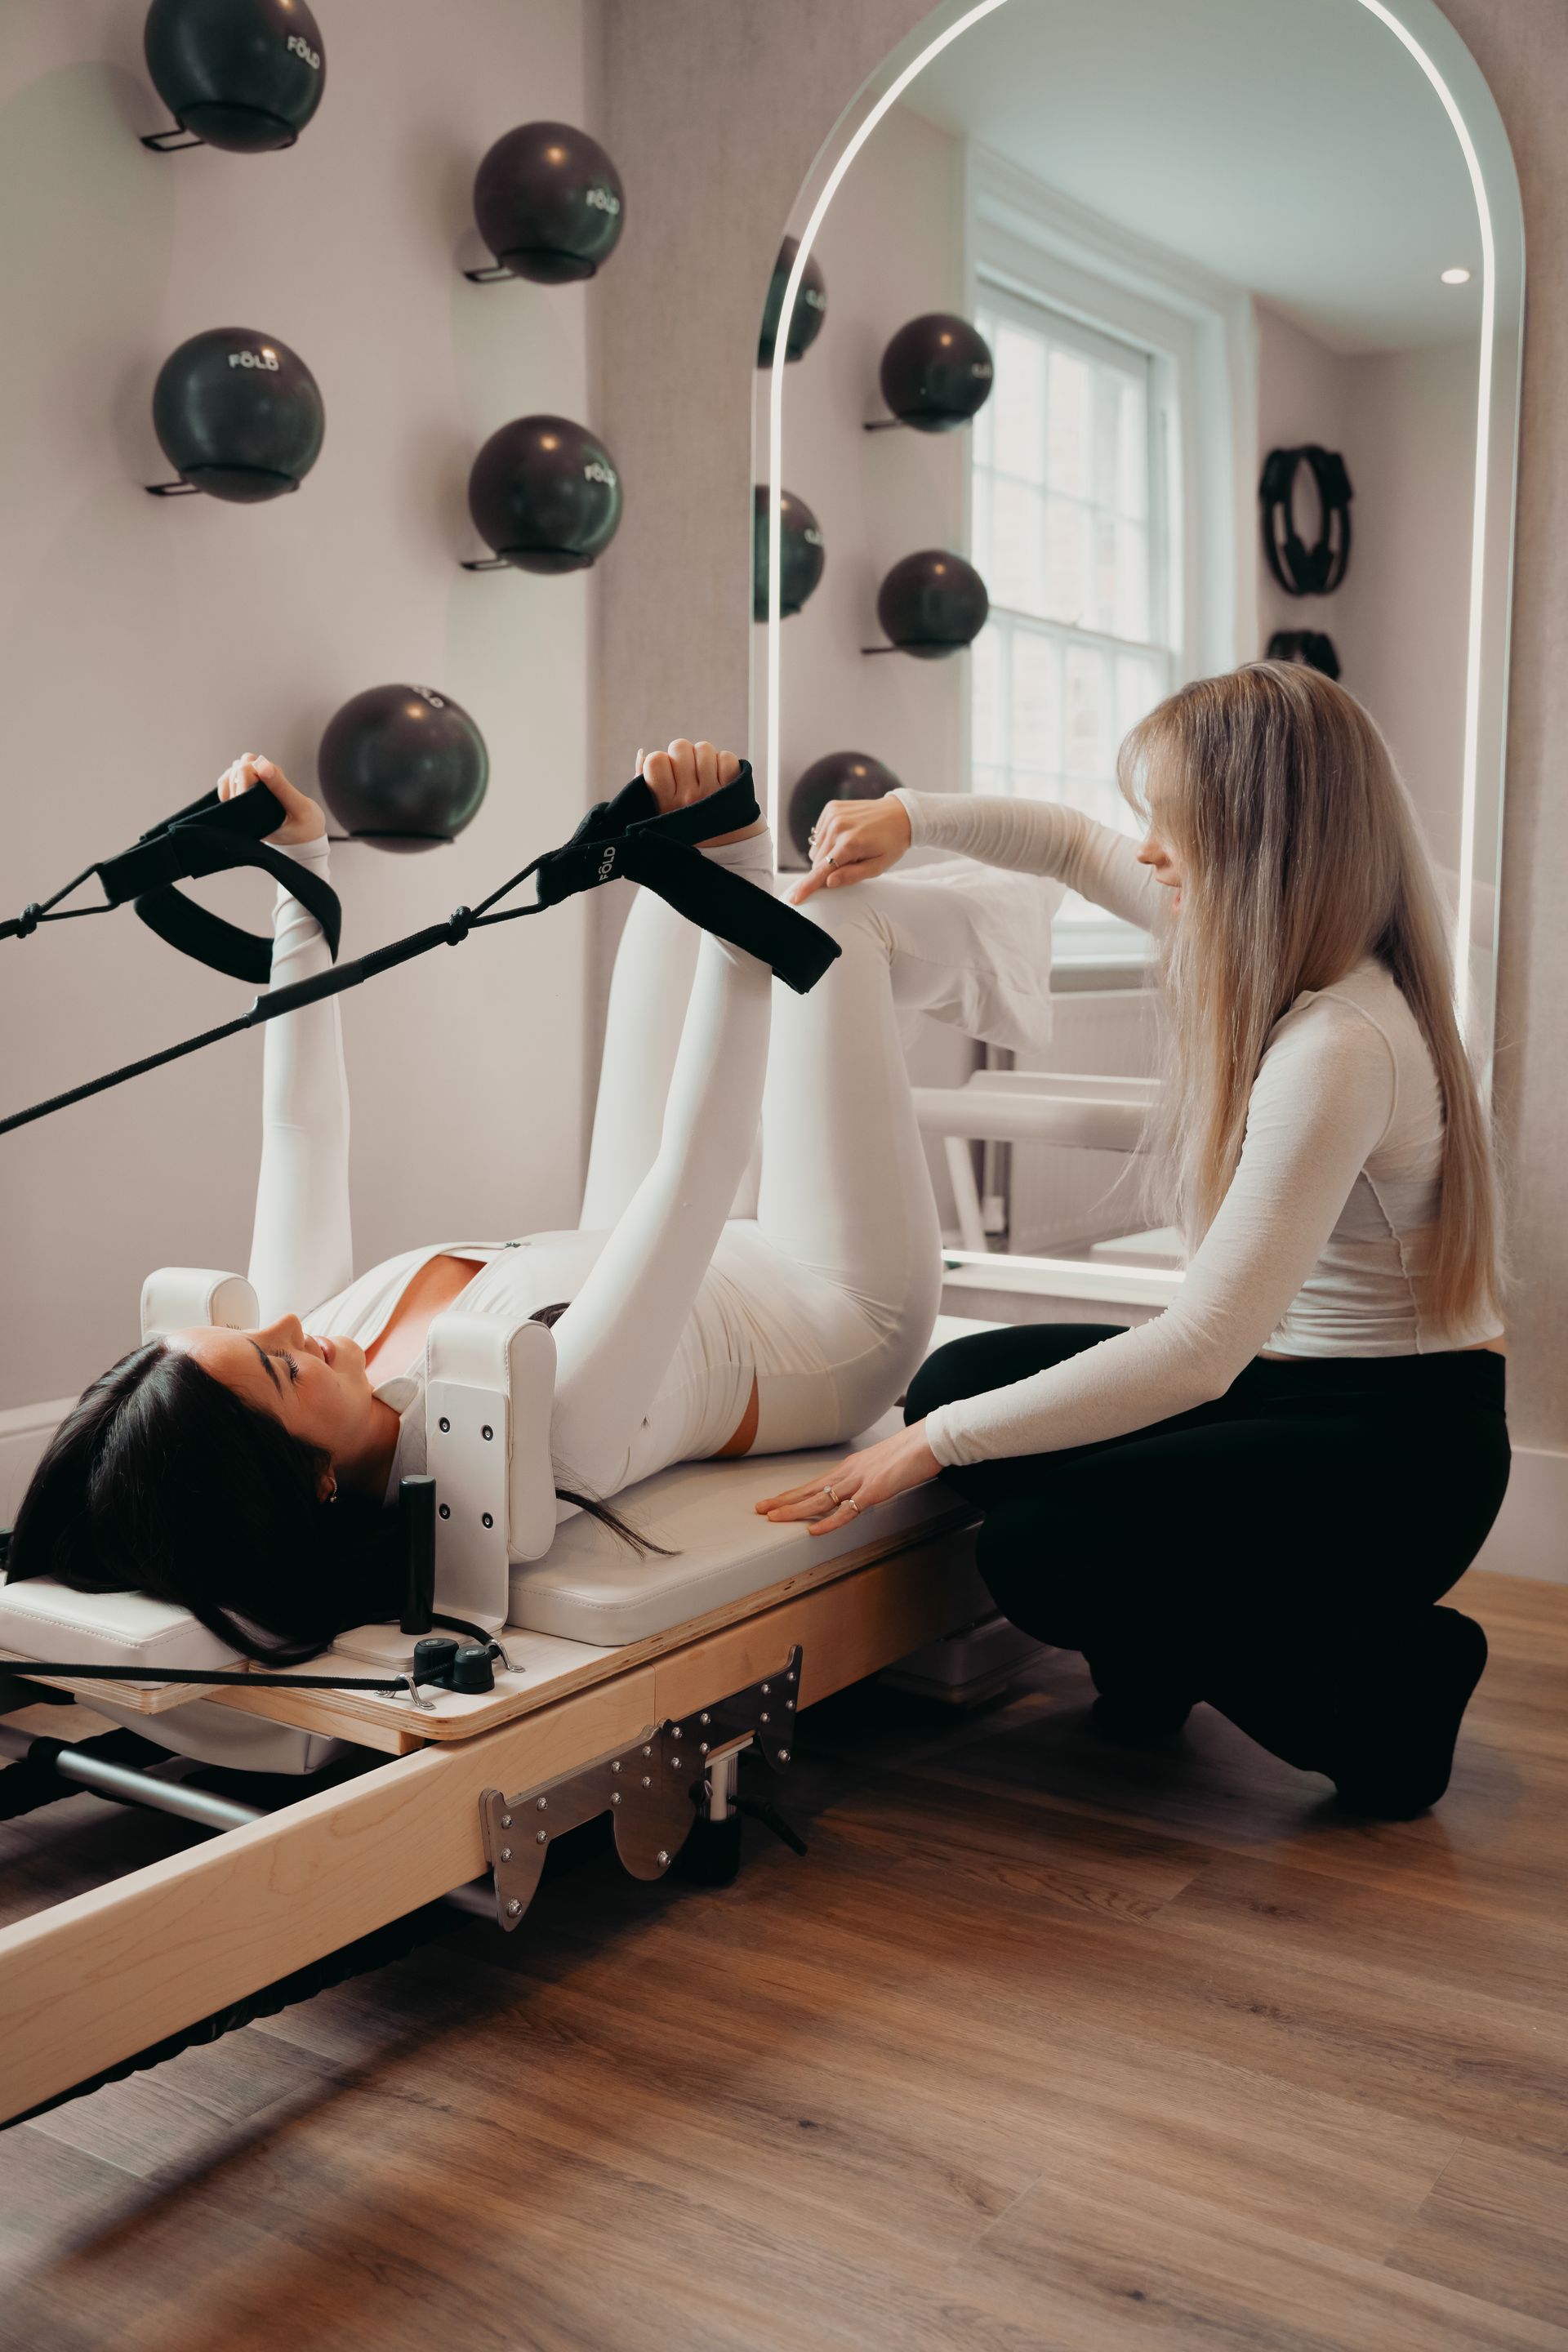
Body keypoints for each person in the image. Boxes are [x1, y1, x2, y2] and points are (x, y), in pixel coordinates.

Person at [7, 738, 1054, 1661]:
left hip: (626, 1235)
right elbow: (697, 1164)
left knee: (663, 907)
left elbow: (299, 1132)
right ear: (312, 1482)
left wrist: (301, 872)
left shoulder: (319, 1358)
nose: (289, 1322)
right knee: (834, 916)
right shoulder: (532, 1450)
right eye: (276, 1363)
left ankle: (915, 944)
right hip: (829, 1309)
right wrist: (737, 865)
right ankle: (1027, 931)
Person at [758, 663, 1508, 1820]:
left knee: (1037, 1548)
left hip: (1394, 1456)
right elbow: (1063, 843)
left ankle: (1395, 1691)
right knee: (961, 1378)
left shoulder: (1342, 1044)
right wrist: (906, 818)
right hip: (1289, 1392)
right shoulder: (1254, 918)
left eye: (1175, 824)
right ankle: (1167, 1653)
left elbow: (1200, 1347)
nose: (1149, 851)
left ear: (1261, 842)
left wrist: (927, 1453)